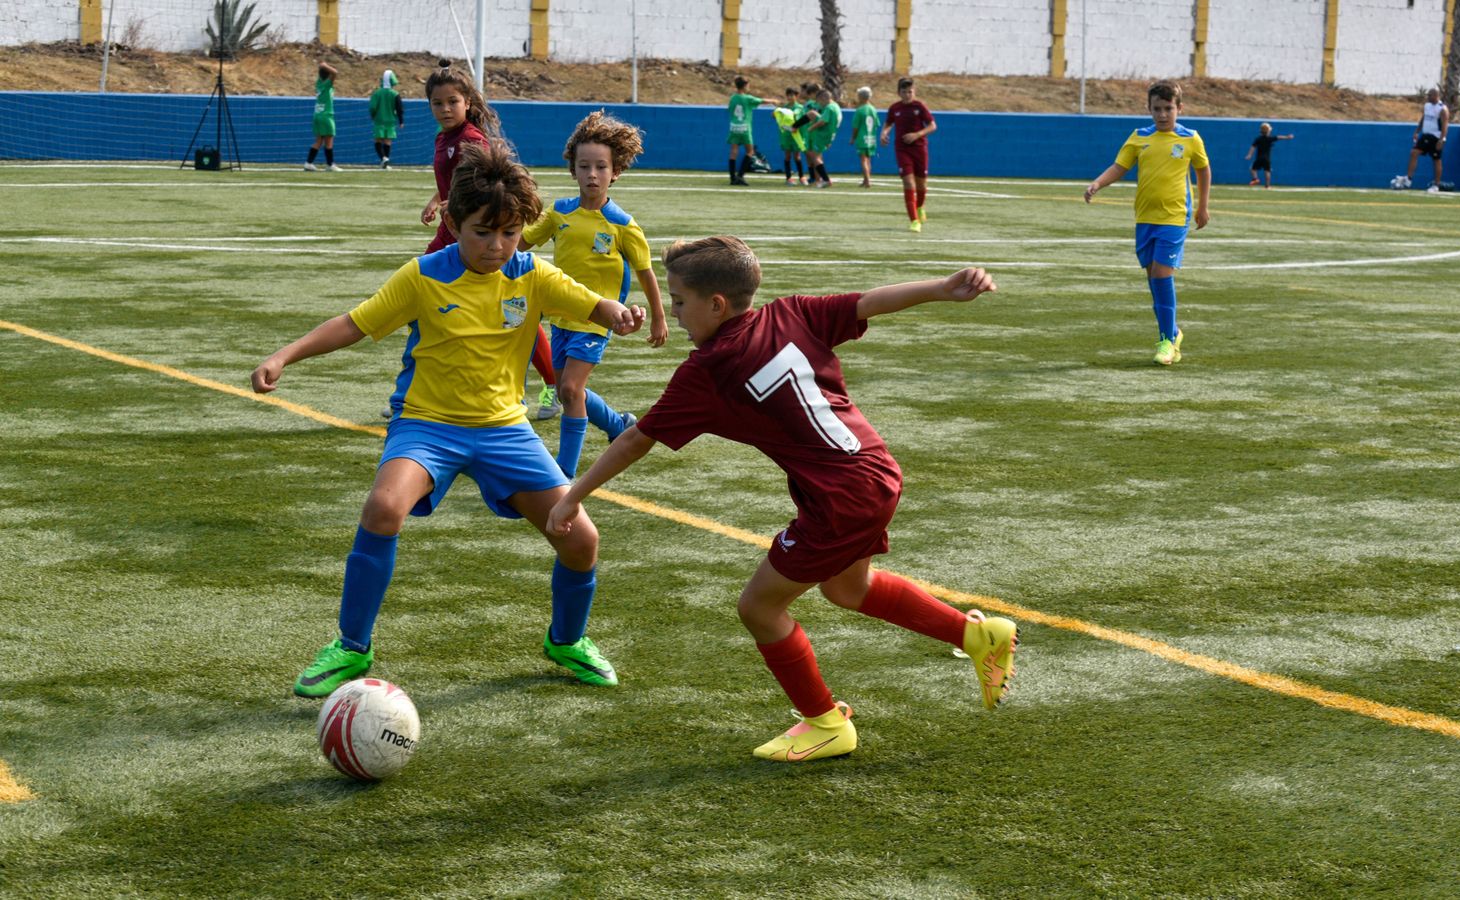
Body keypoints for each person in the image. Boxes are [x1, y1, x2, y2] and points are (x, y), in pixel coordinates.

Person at [547, 236, 1019, 762]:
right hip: (874, 469)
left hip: (841, 497)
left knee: (759, 607)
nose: (675, 314)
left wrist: (571, 496)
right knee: (847, 588)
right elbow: (869, 302)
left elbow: (636, 440)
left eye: (679, 301)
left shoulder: (708, 371)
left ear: (716, 305)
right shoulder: (792, 313)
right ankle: (979, 637)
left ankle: (825, 723)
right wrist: (943, 288)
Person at [252, 142, 646, 698]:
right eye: (484, 232)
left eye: (509, 233)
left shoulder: (530, 273)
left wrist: (618, 312)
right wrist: (284, 355)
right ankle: (351, 646)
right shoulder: (423, 276)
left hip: (505, 429)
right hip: (426, 425)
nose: (497, 246)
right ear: (456, 223)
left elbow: (590, 302)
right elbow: (354, 323)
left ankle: (566, 640)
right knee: (384, 507)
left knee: (581, 538)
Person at [519, 111, 668, 480]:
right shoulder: (558, 214)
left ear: (614, 172)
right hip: (559, 316)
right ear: (573, 170)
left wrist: (660, 317)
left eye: (601, 167)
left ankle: (563, 472)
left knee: (569, 389)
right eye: (584, 166)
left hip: (598, 319)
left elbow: (646, 272)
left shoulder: (622, 225)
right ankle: (618, 425)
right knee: (571, 391)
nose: (592, 174)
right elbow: (521, 243)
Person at [416, 60, 558, 421]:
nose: (445, 109)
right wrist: (438, 200)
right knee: (423, 301)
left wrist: (464, 207)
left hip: (475, 233)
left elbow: (489, 185)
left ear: (468, 103)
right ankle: (422, 387)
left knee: (516, 311)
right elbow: (452, 181)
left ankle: (552, 385)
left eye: (453, 102)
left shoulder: (473, 141)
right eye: (437, 103)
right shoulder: (443, 138)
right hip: (453, 229)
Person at [1083, 80, 1211, 366]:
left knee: (1162, 274)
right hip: (1145, 217)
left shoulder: (1191, 138)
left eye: (1168, 108)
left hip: (1175, 217)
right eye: (1157, 109)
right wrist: (1098, 183)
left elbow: (1203, 170)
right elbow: (1120, 166)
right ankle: (1172, 332)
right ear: (1149, 109)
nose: (1163, 114)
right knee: (1153, 275)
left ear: (1180, 108)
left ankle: (1167, 341)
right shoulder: (1140, 136)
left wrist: (1203, 206)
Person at [880, 77, 936, 231]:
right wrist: (883, 133)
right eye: (904, 92)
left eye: (910, 92)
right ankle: (914, 221)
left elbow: (932, 125)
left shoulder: (920, 106)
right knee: (908, 183)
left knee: (921, 184)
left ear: (914, 91)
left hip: (919, 148)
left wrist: (917, 135)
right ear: (898, 92)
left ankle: (919, 207)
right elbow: (889, 123)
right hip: (902, 149)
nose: (907, 95)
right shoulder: (895, 108)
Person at [726, 76, 776, 186]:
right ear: (744, 86)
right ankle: (740, 176)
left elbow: (729, 109)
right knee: (750, 151)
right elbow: (762, 101)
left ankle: (732, 178)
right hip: (744, 128)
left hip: (734, 127)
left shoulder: (733, 97)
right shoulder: (747, 98)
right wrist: (774, 101)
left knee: (733, 151)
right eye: (748, 85)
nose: (749, 87)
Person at [1399, 87, 1449, 191]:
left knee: (1436, 160)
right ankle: (1408, 179)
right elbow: (1423, 118)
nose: (1428, 97)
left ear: (1436, 96)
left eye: (1430, 95)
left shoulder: (1442, 109)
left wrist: (1442, 139)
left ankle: (1436, 185)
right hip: (1426, 135)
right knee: (1414, 152)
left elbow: (1445, 125)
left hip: (1435, 137)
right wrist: (1417, 131)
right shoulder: (1427, 106)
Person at [802, 88, 842, 188]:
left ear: (824, 98)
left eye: (819, 101)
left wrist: (811, 127)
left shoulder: (829, 108)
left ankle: (826, 180)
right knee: (817, 156)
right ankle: (818, 180)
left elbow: (823, 121)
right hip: (829, 135)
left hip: (822, 135)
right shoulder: (836, 107)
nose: (819, 104)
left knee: (815, 157)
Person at [305, 62, 340, 172]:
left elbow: (329, 73)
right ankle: (330, 165)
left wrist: (323, 68)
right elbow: (335, 73)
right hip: (326, 115)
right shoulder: (327, 84)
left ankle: (308, 163)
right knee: (329, 141)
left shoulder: (319, 83)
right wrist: (324, 65)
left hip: (317, 115)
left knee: (318, 141)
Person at [368, 69, 404, 169]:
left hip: (379, 120)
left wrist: (373, 115)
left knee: (377, 140)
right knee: (388, 141)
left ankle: (383, 158)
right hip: (391, 121)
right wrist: (401, 121)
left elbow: (372, 107)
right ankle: (386, 161)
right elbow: (399, 108)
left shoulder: (377, 93)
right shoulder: (395, 94)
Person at [775, 87, 807, 185]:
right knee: (787, 156)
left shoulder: (800, 108)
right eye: (788, 95)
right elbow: (780, 119)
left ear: (797, 96)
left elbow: (795, 115)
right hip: (786, 136)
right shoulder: (784, 107)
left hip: (796, 136)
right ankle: (788, 178)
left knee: (797, 156)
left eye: (792, 95)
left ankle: (801, 177)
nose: (790, 97)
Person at [1245, 122, 1292, 188]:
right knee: (1267, 171)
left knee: (1252, 169)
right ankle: (1267, 185)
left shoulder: (1258, 139)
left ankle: (1255, 179)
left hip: (1259, 157)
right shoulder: (1270, 138)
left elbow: (1253, 147)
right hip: (1267, 158)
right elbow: (1279, 137)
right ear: (1269, 131)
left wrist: (1249, 155)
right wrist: (1287, 137)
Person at [852, 86, 880, 188]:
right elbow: (876, 124)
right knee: (868, 159)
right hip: (871, 138)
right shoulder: (873, 109)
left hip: (862, 138)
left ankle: (867, 181)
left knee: (863, 159)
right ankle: (865, 180)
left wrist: (853, 138)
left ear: (860, 97)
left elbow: (856, 127)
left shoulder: (860, 110)